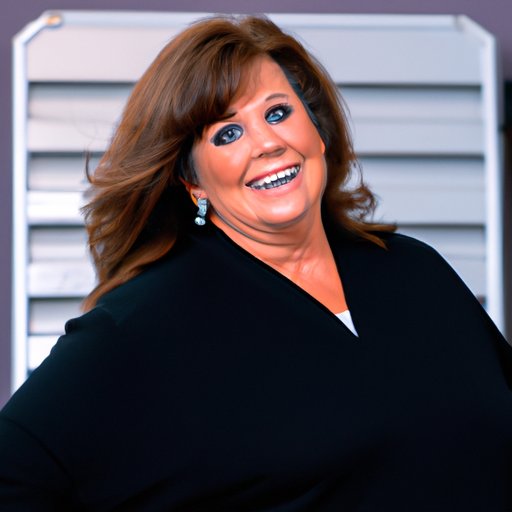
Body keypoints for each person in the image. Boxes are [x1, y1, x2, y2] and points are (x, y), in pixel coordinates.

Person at [1, 14, 511, 511]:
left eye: (277, 113)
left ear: (317, 130)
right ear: (192, 181)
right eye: (227, 134)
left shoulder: (415, 271)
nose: (268, 143)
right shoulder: (146, 321)